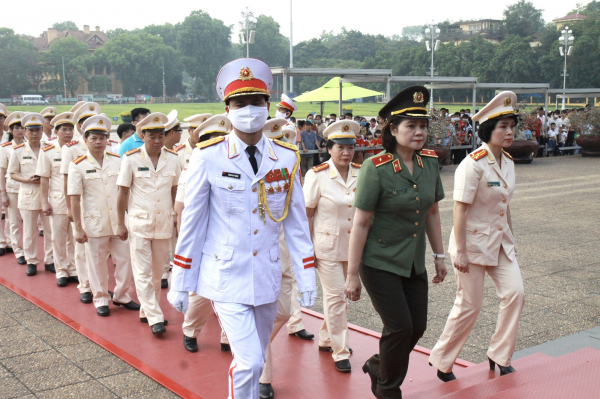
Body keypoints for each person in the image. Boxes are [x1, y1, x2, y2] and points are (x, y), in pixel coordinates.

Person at [168, 58, 316, 399]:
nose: (248, 109)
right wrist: (181, 280)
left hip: (267, 275)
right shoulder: (209, 155)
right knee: (249, 363)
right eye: (239, 103)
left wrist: (307, 276)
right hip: (225, 275)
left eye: (256, 102)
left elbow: (295, 225)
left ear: (268, 105)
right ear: (227, 108)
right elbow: (192, 223)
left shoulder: (287, 157)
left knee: (257, 355)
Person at [344, 86, 447, 399]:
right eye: (411, 126)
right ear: (392, 129)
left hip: (413, 262)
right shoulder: (375, 169)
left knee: (417, 327)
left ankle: (378, 365)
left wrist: (439, 255)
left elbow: (432, 211)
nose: (419, 132)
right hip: (379, 262)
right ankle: (388, 389)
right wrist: (352, 273)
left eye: (423, 126)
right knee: (400, 326)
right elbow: (360, 223)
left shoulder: (429, 163)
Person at [429, 91, 524, 382]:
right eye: (502, 126)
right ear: (487, 130)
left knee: (515, 293)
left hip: (500, 244)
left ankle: (499, 353)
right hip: (471, 243)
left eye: (512, 126)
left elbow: (503, 205)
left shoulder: (508, 161)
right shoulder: (473, 163)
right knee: (470, 305)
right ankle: (443, 360)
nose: (509, 132)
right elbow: (459, 210)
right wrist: (460, 251)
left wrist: (512, 237)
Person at [258, 118, 315, 399]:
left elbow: (297, 215)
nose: (285, 146)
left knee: (281, 311)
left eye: (288, 140)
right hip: (257, 252)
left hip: (284, 249)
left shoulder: (290, 166)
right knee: (262, 315)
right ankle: (263, 376)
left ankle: (251, 347)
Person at [116, 112, 181, 335]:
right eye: (152, 136)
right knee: (142, 272)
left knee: (156, 274)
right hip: (139, 224)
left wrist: (176, 219)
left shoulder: (173, 159)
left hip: (163, 224)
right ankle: (155, 317)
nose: (156, 141)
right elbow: (122, 192)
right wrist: (120, 223)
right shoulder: (131, 158)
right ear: (143, 136)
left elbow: (175, 190)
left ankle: (146, 310)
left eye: (160, 136)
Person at [68, 115, 139, 317]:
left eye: (102, 138)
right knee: (97, 262)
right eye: (94, 138)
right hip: (94, 222)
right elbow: (74, 198)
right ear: (85, 140)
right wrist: (78, 228)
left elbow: (127, 191)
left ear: (108, 139)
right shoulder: (78, 165)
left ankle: (122, 295)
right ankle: (100, 298)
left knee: (125, 260)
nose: (99, 142)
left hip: (119, 222)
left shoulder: (118, 161)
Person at [304, 120, 361, 374]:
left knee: (339, 298)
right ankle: (341, 351)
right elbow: (306, 215)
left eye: (350, 147)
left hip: (353, 247)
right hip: (325, 246)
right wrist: (306, 250)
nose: (346, 153)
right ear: (329, 148)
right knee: (337, 295)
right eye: (340, 147)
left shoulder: (362, 172)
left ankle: (327, 338)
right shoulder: (316, 176)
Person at [176, 114, 231, 353]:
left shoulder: (237, 169)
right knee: (200, 295)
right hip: (204, 241)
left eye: (223, 140)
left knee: (231, 293)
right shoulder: (191, 171)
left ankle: (228, 337)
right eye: (212, 141)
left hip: (230, 241)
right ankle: (190, 330)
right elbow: (182, 210)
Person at [61, 102, 102, 303]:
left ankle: (99, 287)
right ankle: (85, 286)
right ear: (79, 126)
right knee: (81, 248)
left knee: (101, 253)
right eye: (86, 122)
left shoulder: (107, 145)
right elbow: (66, 179)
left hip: (101, 206)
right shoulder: (71, 148)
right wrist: (69, 207)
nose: (89, 125)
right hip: (81, 205)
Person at [8, 113, 55, 276]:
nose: (34, 133)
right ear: (25, 132)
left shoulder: (49, 148)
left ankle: (50, 260)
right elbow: (12, 173)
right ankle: (32, 261)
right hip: (28, 193)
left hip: (48, 194)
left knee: (50, 230)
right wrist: (26, 179)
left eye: (37, 130)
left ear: (42, 131)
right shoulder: (18, 151)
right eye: (31, 130)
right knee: (29, 231)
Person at [37, 112, 77, 287]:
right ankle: (61, 270)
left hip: (75, 201)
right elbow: (44, 179)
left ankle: (74, 269)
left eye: (70, 130)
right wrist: (44, 202)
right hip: (57, 200)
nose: (68, 133)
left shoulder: (78, 149)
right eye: (64, 130)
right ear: (57, 131)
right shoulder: (47, 151)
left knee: (74, 237)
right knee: (58, 237)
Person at [1, 112, 25, 263]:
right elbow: (2, 172)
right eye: (16, 128)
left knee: (29, 224)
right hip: (12, 188)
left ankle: (27, 251)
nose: (20, 130)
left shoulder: (32, 147)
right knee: (13, 220)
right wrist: (3, 192)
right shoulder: (5, 148)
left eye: (22, 127)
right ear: (10, 130)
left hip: (30, 188)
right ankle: (18, 250)